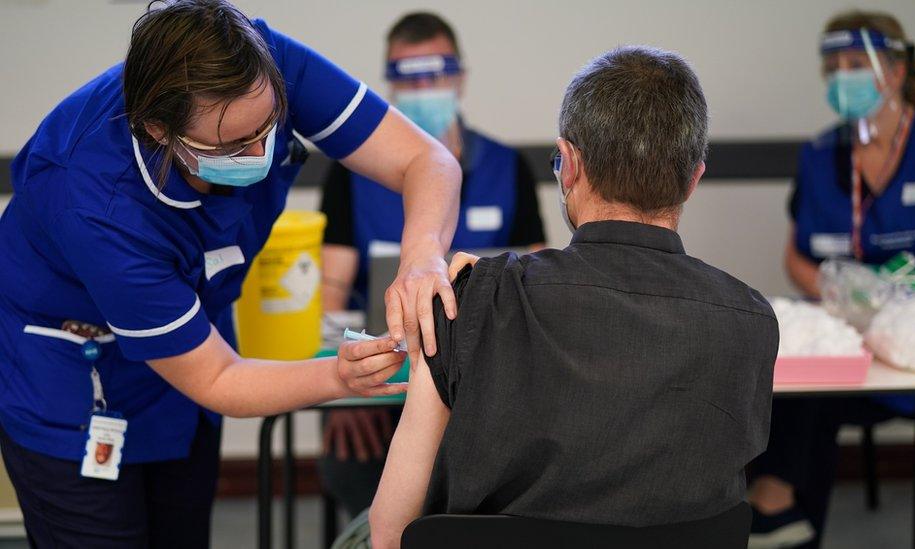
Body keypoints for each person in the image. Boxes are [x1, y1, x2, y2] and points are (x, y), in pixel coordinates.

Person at [0, 1, 462, 546]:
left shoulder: (254, 59)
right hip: (75, 378)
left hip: (188, 357)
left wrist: (422, 257)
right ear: (157, 129)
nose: (260, 153)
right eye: (230, 148)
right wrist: (338, 378)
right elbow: (218, 377)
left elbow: (427, 162)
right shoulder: (93, 202)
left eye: (269, 128)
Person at [366, 46, 779, 549]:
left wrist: (481, 293)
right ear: (693, 179)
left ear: (570, 165)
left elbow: (390, 535)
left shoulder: (472, 301)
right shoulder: (751, 321)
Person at [749, 10, 915, 548]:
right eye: (833, 68)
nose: (841, 78)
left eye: (856, 64)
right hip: (852, 339)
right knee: (791, 381)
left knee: (817, 400)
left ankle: (779, 513)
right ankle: (778, 511)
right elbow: (795, 257)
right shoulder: (821, 155)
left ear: (896, 71)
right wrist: (837, 294)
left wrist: (911, 297)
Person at [317, 11, 547, 518]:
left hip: (490, 388)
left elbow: (538, 288)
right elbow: (331, 292)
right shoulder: (349, 177)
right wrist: (341, 390)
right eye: (407, 75)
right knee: (358, 474)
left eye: (435, 71)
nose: (423, 85)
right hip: (383, 384)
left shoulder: (508, 168)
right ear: (389, 87)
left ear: (459, 77)